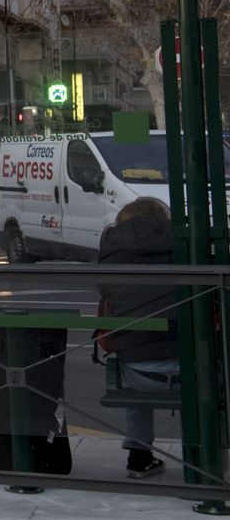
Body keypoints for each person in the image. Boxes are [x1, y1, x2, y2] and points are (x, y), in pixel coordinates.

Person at [96, 196, 177, 479]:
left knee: (133, 357)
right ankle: (203, 459)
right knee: (204, 376)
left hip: (137, 371)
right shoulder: (182, 242)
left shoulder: (111, 251)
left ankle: (139, 456)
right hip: (191, 369)